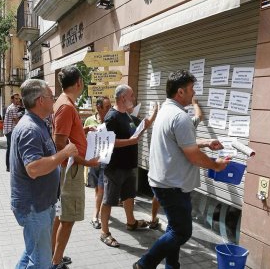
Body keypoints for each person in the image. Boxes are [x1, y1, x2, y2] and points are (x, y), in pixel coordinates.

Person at [133, 70, 230, 269]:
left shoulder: (166, 112)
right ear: (180, 92)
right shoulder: (180, 117)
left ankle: (172, 265)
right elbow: (192, 155)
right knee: (182, 232)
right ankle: (144, 264)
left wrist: (205, 142)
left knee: (173, 227)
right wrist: (215, 165)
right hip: (172, 186)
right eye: (191, 89)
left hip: (163, 182)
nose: (194, 93)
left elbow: (181, 143)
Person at [10, 79, 78, 269]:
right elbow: (34, 169)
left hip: (41, 204)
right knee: (41, 262)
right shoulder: (30, 129)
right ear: (40, 100)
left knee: (32, 252)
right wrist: (64, 153)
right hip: (34, 207)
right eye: (51, 97)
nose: (54, 100)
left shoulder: (39, 123)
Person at [51, 66, 99, 269]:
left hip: (69, 167)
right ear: (79, 82)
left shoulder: (65, 103)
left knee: (62, 215)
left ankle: (53, 254)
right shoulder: (66, 106)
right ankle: (55, 261)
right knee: (68, 218)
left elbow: (65, 133)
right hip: (70, 169)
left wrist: (83, 129)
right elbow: (59, 142)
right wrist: (86, 162)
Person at [100, 84, 155, 248]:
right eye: (131, 95)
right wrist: (130, 141)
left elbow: (141, 128)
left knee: (129, 196)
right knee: (108, 200)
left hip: (129, 166)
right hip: (114, 167)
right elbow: (108, 142)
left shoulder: (129, 116)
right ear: (123, 97)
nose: (134, 98)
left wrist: (153, 115)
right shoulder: (111, 117)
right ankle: (104, 232)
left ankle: (131, 222)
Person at [148, 96, 203, 230]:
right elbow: (199, 116)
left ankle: (153, 219)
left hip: (160, 172)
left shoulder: (163, 119)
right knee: (178, 229)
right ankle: (159, 236)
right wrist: (195, 104)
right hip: (172, 179)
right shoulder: (184, 122)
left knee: (159, 196)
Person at [83, 96, 112, 229]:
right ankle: (98, 208)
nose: (109, 109)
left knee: (101, 188)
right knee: (97, 188)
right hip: (93, 160)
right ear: (98, 107)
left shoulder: (111, 120)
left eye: (110, 106)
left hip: (105, 161)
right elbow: (82, 137)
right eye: (107, 107)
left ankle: (95, 215)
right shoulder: (90, 120)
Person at [4, 93, 21, 172]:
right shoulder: (13, 108)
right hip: (10, 130)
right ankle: (9, 166)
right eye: (16, 98)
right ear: (12, 99)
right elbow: (16, 120)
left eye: (18, 98)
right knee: (11, 149)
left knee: (10, 148)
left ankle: (9, 166)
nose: (18, 100)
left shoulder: (13, 107)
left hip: (9, 130)